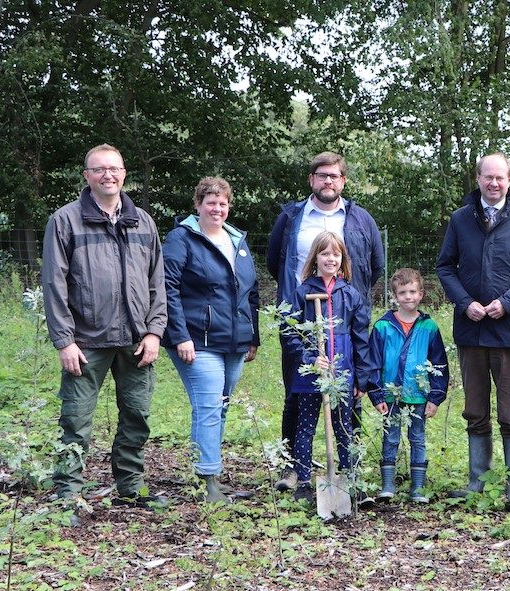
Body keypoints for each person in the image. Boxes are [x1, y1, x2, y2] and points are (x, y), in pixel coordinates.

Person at [42, 143, 167, 525]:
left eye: (114, 168)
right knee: (76, 420)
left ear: (124, 173)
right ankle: (68, 495)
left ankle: (130, 487)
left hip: (135, 340)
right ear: (87, 176)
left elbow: (156, 282)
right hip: (85, 342)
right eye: (99, 169)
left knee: (137, 415)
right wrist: (64, 340)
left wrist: (154, 332)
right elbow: (54, 283)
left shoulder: (142, 222)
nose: (107, 175)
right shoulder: (65, 221)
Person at [436, 152, 510, 513]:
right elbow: (445, 266)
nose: (493, 183)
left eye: (500, 177)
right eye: (487, 177)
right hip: (471, 331)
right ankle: (477, 480)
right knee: (474, 409)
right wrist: (464, 301)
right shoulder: (460, 219)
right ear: (479, 178)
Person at [267, 151, 384, 492]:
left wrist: (351, 300)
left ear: (343, 180)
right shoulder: (291, 217)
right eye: (321, 175)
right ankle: (294, 471)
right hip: (301, 319)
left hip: (345, 321)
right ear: (312, 180)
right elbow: (276, 262)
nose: (327, 181)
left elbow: (374, 266)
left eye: (334, 175)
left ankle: (350, 471)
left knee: (348, 403)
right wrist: (299, 295)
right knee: (298, 396)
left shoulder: (361, 219)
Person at [162, 177, 259, 504]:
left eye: (223, 203)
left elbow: (251, 293)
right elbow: (167, 289)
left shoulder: (237, 241)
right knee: (209, 405)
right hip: (196, 340)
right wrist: (180, 336)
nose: (217, 209)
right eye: (210, 202)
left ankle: (209, 473)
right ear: (198, 204)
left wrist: (253, 336)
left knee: (221, 406)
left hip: (234, 340)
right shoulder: (181, 238)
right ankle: (207, 480)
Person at [281, 232, 371, 505]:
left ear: (342, 259)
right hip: (310, 377)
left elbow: (361, 337)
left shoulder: (351, 295)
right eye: (325, 253)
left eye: (336, 254)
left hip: (342, 374)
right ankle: (304, 481)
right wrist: (310, 358)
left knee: (345, 428)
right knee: (305, 427)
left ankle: (350, 479)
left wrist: (362, 378)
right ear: (315, 258)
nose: (330, 258)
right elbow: (289, 332)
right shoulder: (302, 293)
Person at [365, 268, 449, 503]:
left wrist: (435, 397)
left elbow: (439, 363)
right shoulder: (383, 326)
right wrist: (376, 393)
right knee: (390, 437)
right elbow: (374, 362)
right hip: (390, 394)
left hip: (418, 394)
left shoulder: (429, 327)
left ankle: (418, 488)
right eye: (403, 292)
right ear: (395, 295)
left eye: (413, 291)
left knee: (417, 438)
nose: (408, 297)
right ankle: (388, 485)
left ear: (421, 294)